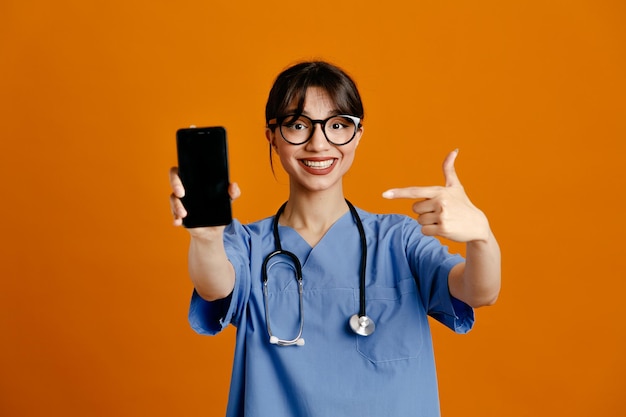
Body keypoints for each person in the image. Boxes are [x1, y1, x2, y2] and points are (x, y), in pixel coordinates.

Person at [169, 61, 501, 417]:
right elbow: (214, 285)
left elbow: (478, 291)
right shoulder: (250, 245)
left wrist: (482, 238)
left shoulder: (398, 240)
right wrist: (205, 238)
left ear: (358, 134)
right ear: (272, 135)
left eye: (338, 125)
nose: (318, 143)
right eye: (298, 125)